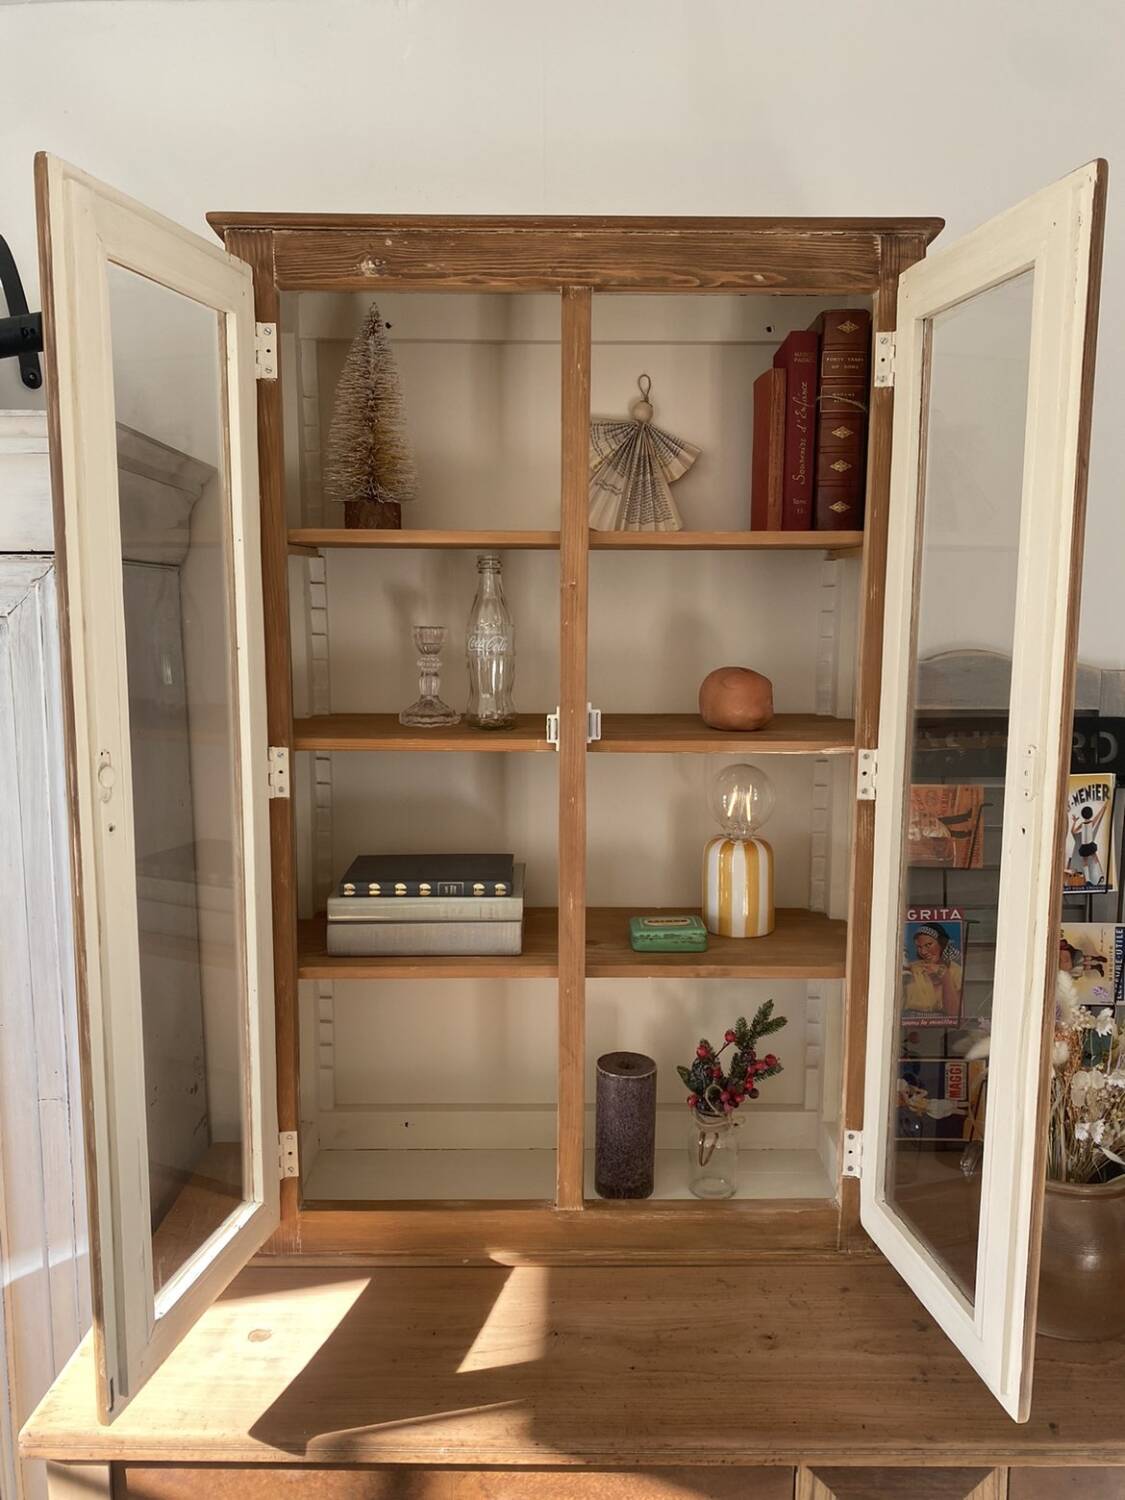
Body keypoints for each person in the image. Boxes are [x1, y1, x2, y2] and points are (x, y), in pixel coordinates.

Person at [903, 922, 963, 1019]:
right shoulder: (912, 969)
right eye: (919, 947)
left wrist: (945, 976)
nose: (923, 952)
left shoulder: (956, 971)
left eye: (928, 945)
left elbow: (954, 1013)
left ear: (942, 943)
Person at [1069, 800, 1109, 888]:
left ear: (1083, 815)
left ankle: (1088, 880)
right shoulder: (1091, 823)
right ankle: (1101, 875)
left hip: (1084, 846)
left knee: (1086, 862)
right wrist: (1103, 808)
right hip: (1089, 845)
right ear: (1090, 814)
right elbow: (1098, 817)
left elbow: (1073, 831)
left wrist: (1075, 822)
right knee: (1095, 858)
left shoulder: (1082, 824)